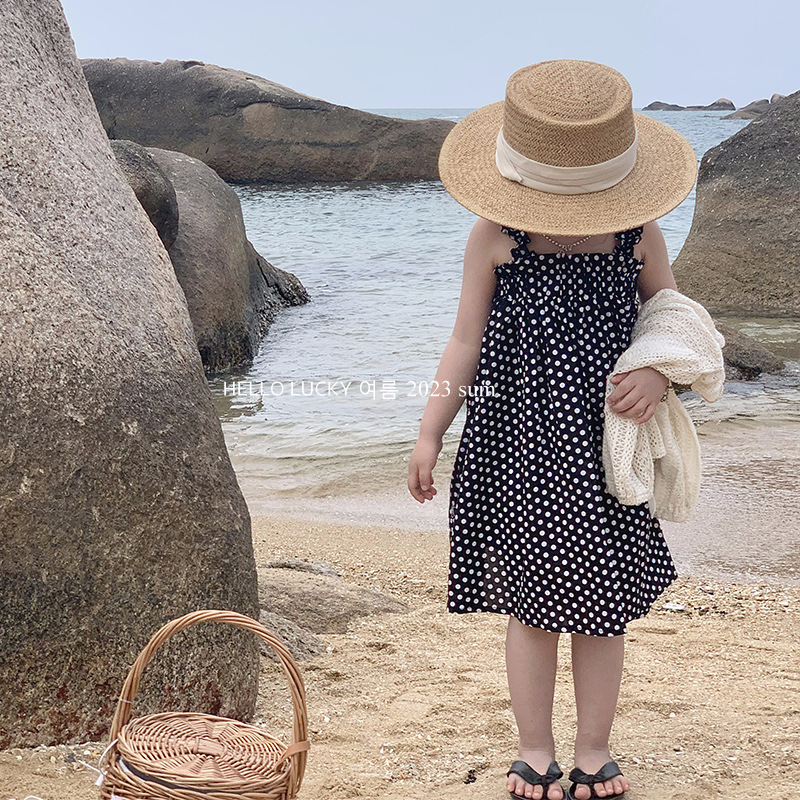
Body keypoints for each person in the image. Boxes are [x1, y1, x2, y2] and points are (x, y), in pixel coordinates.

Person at [407, 60, 700, 800]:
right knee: (533, 609)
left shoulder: (637, 235)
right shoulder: (495, 236)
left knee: (602, 609)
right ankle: (534, 749)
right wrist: (430, 431)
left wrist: (659, 375)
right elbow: (465, 342)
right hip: (517, 447)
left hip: (606, 450)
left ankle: (594, 749)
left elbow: (674, 322)